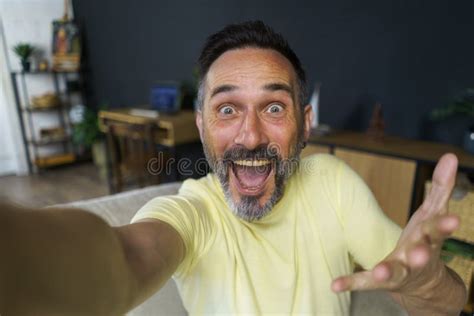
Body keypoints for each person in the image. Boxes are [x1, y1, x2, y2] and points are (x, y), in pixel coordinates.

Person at [0, 21, 467, 315]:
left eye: (274, 108)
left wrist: (427, 284)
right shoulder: (192, 211)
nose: (249, 136)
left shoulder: (333, 182)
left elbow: (445, 303)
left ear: (305, 125)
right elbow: (128, 259)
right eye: (227, 110)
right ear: (200, 123)